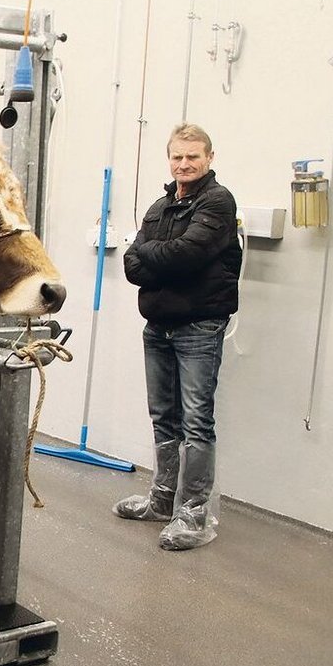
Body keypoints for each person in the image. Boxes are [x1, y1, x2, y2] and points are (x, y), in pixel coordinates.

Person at [117, 122, 241, 551]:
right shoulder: (159, 206)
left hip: (199, 327)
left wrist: (152, 254)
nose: (184, 164)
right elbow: (131, 265)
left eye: (193, 156)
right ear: (169, 159)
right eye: (177, 157)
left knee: (196, 422)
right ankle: (162, 498)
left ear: (209, 158)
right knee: (163, 416)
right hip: (159, 326)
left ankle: (193, 515)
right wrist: (159, 256)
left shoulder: (218, 202)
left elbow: (188, 255)